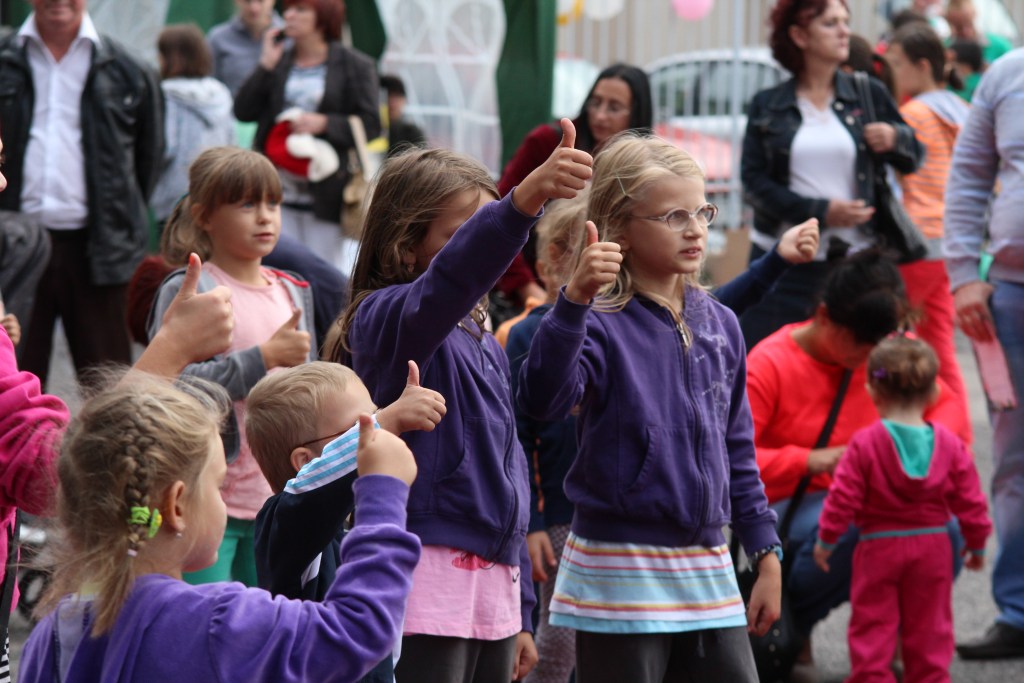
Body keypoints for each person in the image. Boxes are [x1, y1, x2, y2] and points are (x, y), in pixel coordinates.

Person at [330, 122, 592, 683]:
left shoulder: (483, 340)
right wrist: (521, 203)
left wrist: (522, 612)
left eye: (485, 228)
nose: (482, 250)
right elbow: (447, 283)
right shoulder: (387, 319)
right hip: (423, 573)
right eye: (463, 233)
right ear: (404, 246)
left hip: (493, 587)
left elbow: (512, 470)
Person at [516, 134, 781, 682]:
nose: (695, 228)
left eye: (702, 210)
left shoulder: (720, 323)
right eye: (672, 215)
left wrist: (765, 550)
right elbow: (542, 399)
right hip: (619, 565)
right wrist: (572, 304)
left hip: (708, 559)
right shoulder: (596, 321)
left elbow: (737, 444)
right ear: (620, 231)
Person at [19, 377, 420, 683]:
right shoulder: (220, 621)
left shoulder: (51, 636)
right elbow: (360, 631)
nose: (223, 500)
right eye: (218, 485)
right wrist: (383, 493)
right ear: (177, 506)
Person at [746, 250, 971, 676]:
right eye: (861, 343)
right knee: (857, 524)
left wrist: (925, 448)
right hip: (793, 506)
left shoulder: (887, 352)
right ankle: (796, 623)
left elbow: (946, 406)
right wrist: (812, 460)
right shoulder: (770, 362)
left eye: (879, 343)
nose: (872, 357)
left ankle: (910, 630)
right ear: (825, 316)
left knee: (944, 528)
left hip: (868, 500)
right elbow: (732, 462)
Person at [149, 147, 315, 588]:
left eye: (273, 204)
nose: (265, 217)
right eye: (246, 204)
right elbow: (167, 388)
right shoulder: (193, 290)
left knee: (259, 636)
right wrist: (260, 360)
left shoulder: (293, 292)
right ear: (204, 217)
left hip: (276, 499)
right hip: (204, 498)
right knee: (200, 629)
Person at [740, 0, 923, 350]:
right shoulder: (768, 104)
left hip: (857, 265)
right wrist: (821, 211)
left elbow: (914, 157)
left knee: (860, 371)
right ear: (798, 35)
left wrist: (895, 138)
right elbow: (753, 182)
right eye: (829, 23)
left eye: (845, 21)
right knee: (770, 364)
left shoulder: (868, 93)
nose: (844, 31)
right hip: (785, 263)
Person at [246, 361, 445, 683]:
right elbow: (307, 491)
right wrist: (387, 420)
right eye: (359, 426)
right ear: (306, 463)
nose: (377, 433)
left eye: (374, 414)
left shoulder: (352, 529)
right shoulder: (284, 524)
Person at [0, 0, 164, 390]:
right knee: (13, 384)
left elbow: (149, 159)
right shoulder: (5, 61)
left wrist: (118, 225)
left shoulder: (128, 69)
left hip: (99, 252)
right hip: (15, 248)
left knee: (111, 390)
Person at [813, 335, 991, 683]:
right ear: (934, 394)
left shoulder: (865, 443)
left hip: (879, 547)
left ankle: (871, 677)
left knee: (873, 624)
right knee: (931, 626)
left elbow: (842, 497)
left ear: (873, 392)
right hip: (933, 547)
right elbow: (971, 500)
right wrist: (977, 542)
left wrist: (827, 539)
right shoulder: (950, 445)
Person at [945, 46, 1024, 660]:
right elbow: (969, 174)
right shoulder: (1006, 74)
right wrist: (965, 272)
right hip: (1013, 296)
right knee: (1016, 462)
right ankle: (1019, 612)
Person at [234, 0, 380, 277]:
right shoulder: (279, 61)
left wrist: (324, 123)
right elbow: (243, 111)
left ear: (323, 17)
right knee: (277, 272)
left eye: (300, 10)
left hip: (327, 193)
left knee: (324, 274)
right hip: (277, 190)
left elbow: (372, 125)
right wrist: (265, 64)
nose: (288, 15)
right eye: (287, 9)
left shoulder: (354, 65)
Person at [495, 63, 653, 307]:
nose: (600, 115)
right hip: (541, 288)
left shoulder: (646, 162)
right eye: (595, 102)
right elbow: (500, 212)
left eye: (614, 107)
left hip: (614, 299)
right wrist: (525, 288)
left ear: (637, 113)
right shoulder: (549, 142)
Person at [885, 22, 973, 435]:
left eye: (898, 64)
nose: (893, 73)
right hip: (951, 246)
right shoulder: (963, 109)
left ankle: (892, 437)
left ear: (922, 66)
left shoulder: (913, 114)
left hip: (915, 244)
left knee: (879, 337)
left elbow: (898, 184)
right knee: (941, 346)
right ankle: (958, 440)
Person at [150, 23, 237, 227]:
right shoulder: (220, 93)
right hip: (218, 195)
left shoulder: (166, 96)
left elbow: (164, 149)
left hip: (176, 200)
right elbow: (232, 145)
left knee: (179, 258)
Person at [207, 0, 282, 97]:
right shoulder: (217, 39)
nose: (254, 8)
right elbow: (209, 88)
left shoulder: (290, 37)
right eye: (247, 1)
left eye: (261, 1)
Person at [944, 0, 1012, 69]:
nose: (965, 31)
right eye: (959, 27)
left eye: (969, 24)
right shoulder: (945, 50)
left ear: (974, 17)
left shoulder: (999, 46)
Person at [380, 74, 428, 156]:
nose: (392, 103)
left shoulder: (411, 133)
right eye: (388, 96)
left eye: (397, 96)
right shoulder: (370, 131)